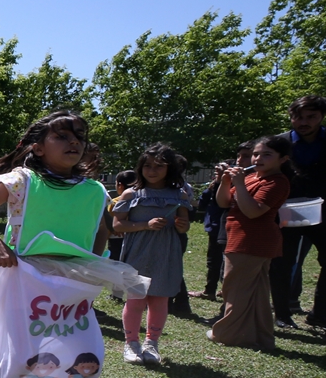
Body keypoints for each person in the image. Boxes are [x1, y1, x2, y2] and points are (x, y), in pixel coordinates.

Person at [0, 111, 110, 267]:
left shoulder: (94, 190)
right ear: (39, 149)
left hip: (75, 281)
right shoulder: (22, 181)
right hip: (25, 276)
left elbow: (101, 228)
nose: (74, 141)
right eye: (62, 136)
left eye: (80, 136)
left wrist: (93, 263)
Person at [207, 135, 294, 351]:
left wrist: (238, 183)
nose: (258, 159)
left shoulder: (277, 182)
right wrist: (225, 182)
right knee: (256, 292)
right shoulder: (252, 177)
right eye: (256, 154)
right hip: (239, 238)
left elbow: (253, 211)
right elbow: (224, 202)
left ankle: (226, 333)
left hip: (252, 242)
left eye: (267, 155)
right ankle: (260, 336)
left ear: (283, 159)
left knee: (236, 289)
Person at [112, 144, 192, 364]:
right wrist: (145, 224)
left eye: (159, 166)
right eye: (147, 165)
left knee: (159, 300)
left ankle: (151, 344)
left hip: (166, 252)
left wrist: (181, 224)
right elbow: (118, 225)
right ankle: (131, 344)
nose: (152, 170)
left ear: (170, 169)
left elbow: (183, 227)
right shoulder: (131, 193)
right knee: (136, 299)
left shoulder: (179, 195)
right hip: (139, 251)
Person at [271, 96, 326, 328]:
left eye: (311, 117)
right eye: (298, 117)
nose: (303, 122)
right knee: (281, 262)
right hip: (286, 212)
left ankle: (320, 315)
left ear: (321, 117)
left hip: (322, 213)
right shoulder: (278, 143)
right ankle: (282, 314)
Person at [193, 141, 254, 302]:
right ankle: (212, 290)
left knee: (230, 268)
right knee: (214, 261)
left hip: (241, 231)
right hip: (217, 226)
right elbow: (218, 202)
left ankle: (228, 296)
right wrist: (221, 180)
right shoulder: (229, 180)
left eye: (246, 156)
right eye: (238, 156)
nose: (240, 160)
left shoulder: (253, 180)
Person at [105, 170, 136, 264]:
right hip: (136, 239)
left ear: (120, 185)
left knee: (117, 267)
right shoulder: (140, 201)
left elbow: (108, 224)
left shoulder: (114, 203)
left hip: (116, 240)